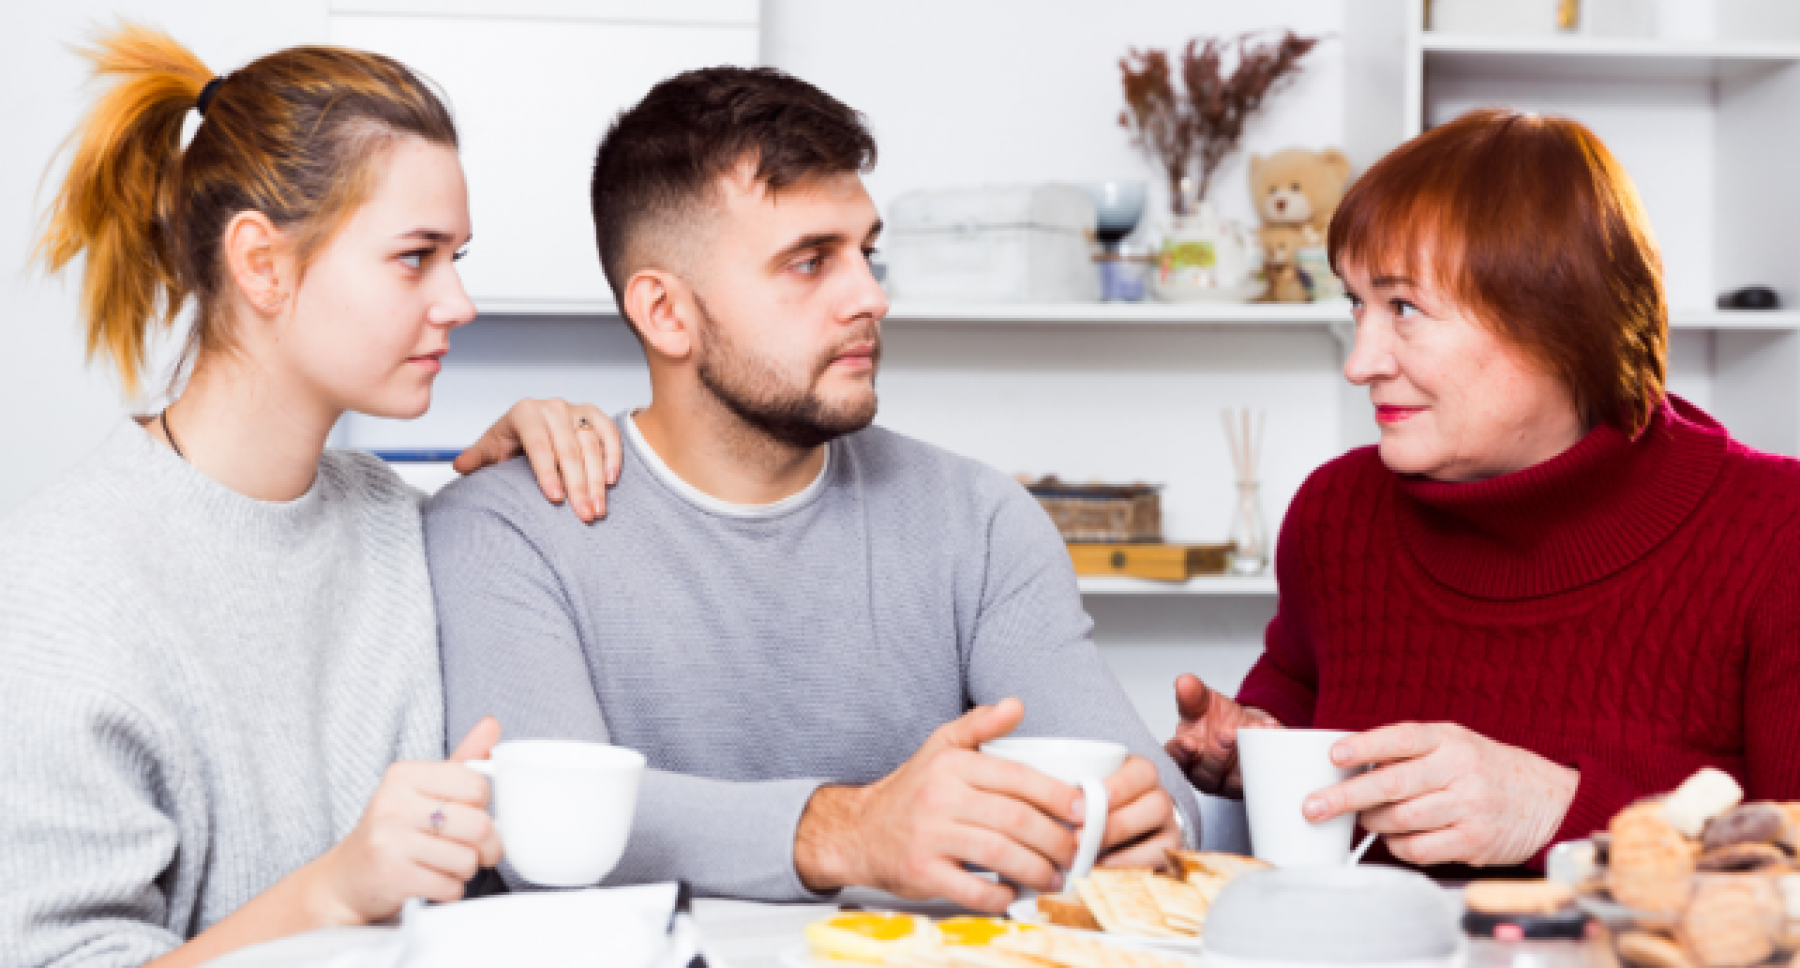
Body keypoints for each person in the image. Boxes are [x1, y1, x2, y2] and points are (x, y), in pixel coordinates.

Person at [425, 66, 1201, 912]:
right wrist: (843, 830)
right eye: (809, 262)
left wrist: (1145, 828)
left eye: (866, 252)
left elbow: (1161, 805)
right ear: (666, 313)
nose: (870, 296)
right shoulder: (507, 526)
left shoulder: (979, 522)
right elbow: (548, 828)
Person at [0, 25, 627, 966]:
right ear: (262, 265)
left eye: (456, 256)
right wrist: (337, 889)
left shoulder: (391, 519)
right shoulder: (61, 584)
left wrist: (509, 480)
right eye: (416, 256)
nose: (458, 302)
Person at [1165, 109, 1800, 877]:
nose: (1360, 361)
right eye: (1356, 306)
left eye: (1404, 308)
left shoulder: (1775, 533)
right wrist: (1251, 745)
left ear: (1558, 319)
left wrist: (1566, 813)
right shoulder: (1336, 514)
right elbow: (1301, 693)